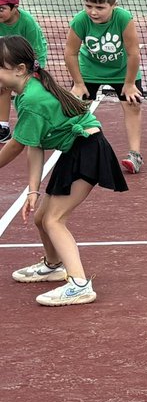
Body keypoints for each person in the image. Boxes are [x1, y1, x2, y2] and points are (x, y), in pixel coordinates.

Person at [0, 36, 129, 306]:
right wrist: (33, 190)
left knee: (53, 220)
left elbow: (15, 147)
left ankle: (79, 284)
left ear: (20, 69)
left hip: (87, 150)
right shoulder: (25, 93)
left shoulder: (33, 99)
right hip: (75, 150)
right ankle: (53, 265)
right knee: (41, 217)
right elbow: (34, 147)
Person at [64, 0, 145, 174]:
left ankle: (135, 155)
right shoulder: (80, 20)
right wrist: (78, 83)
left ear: (113, 5)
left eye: (100, 7)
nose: (93, 12)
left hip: (122, 71)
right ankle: (77, 154)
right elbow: (70, 53)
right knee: (77, 109)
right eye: (89, 6)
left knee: (132, 104)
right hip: (89, 69)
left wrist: (130, 83)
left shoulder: (124, 19)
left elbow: (133, 53)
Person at [0, 0, 50, 144]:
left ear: (15, 7)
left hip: (29, 59)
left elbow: (37, 50)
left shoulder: (28, 23)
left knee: (30, 93)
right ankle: (3, 127)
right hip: (6, 58)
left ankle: (36, 126)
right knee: (3, 87)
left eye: (1, 9)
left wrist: (36, 71)